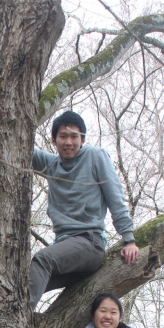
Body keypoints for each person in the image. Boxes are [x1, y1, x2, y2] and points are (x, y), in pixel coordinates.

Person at [30, 110, 139, 309]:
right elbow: (20, 146)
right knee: (24, 277)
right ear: (54, 140)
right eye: (63, 136)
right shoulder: (51, 164)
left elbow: (115, 197)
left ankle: (13, 326)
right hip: (66, 253)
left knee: (41, 260)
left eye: (74, 136)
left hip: (89, 243)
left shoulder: (95, 156)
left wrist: (129, 239)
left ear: (83, 139)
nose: (68, 142)